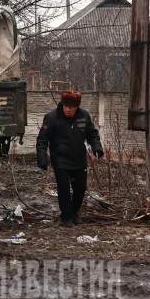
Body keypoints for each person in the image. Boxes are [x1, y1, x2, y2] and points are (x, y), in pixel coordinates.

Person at [36, 91, 105, 226]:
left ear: (77, 107)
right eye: (66, 106)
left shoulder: (84, 116)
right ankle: (66, 216)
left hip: (79, 159)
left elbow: (92, 134)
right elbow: (42, 140)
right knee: (64, 190)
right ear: (62, 104)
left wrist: (97, 147)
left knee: (80, 188)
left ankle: (74, 213)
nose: (68, 109)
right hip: (60, 159)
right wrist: (42, 158)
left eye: (71, 107)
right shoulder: (51, 118)